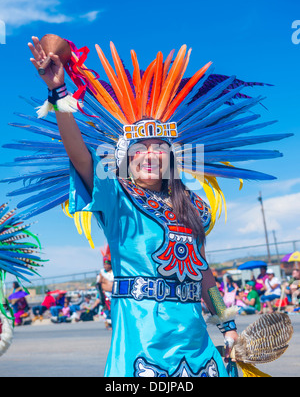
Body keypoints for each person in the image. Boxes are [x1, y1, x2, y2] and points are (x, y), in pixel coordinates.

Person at [26, 36, 291, 377]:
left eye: (158, 147)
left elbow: (204, 272)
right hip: (141, 340)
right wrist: (59, 92)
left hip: (197, 343)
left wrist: (227, 325)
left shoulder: (193, 206)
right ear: (124, 158)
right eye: (140, 148)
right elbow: (79, 155)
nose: (150, 155)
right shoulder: (115, 196)